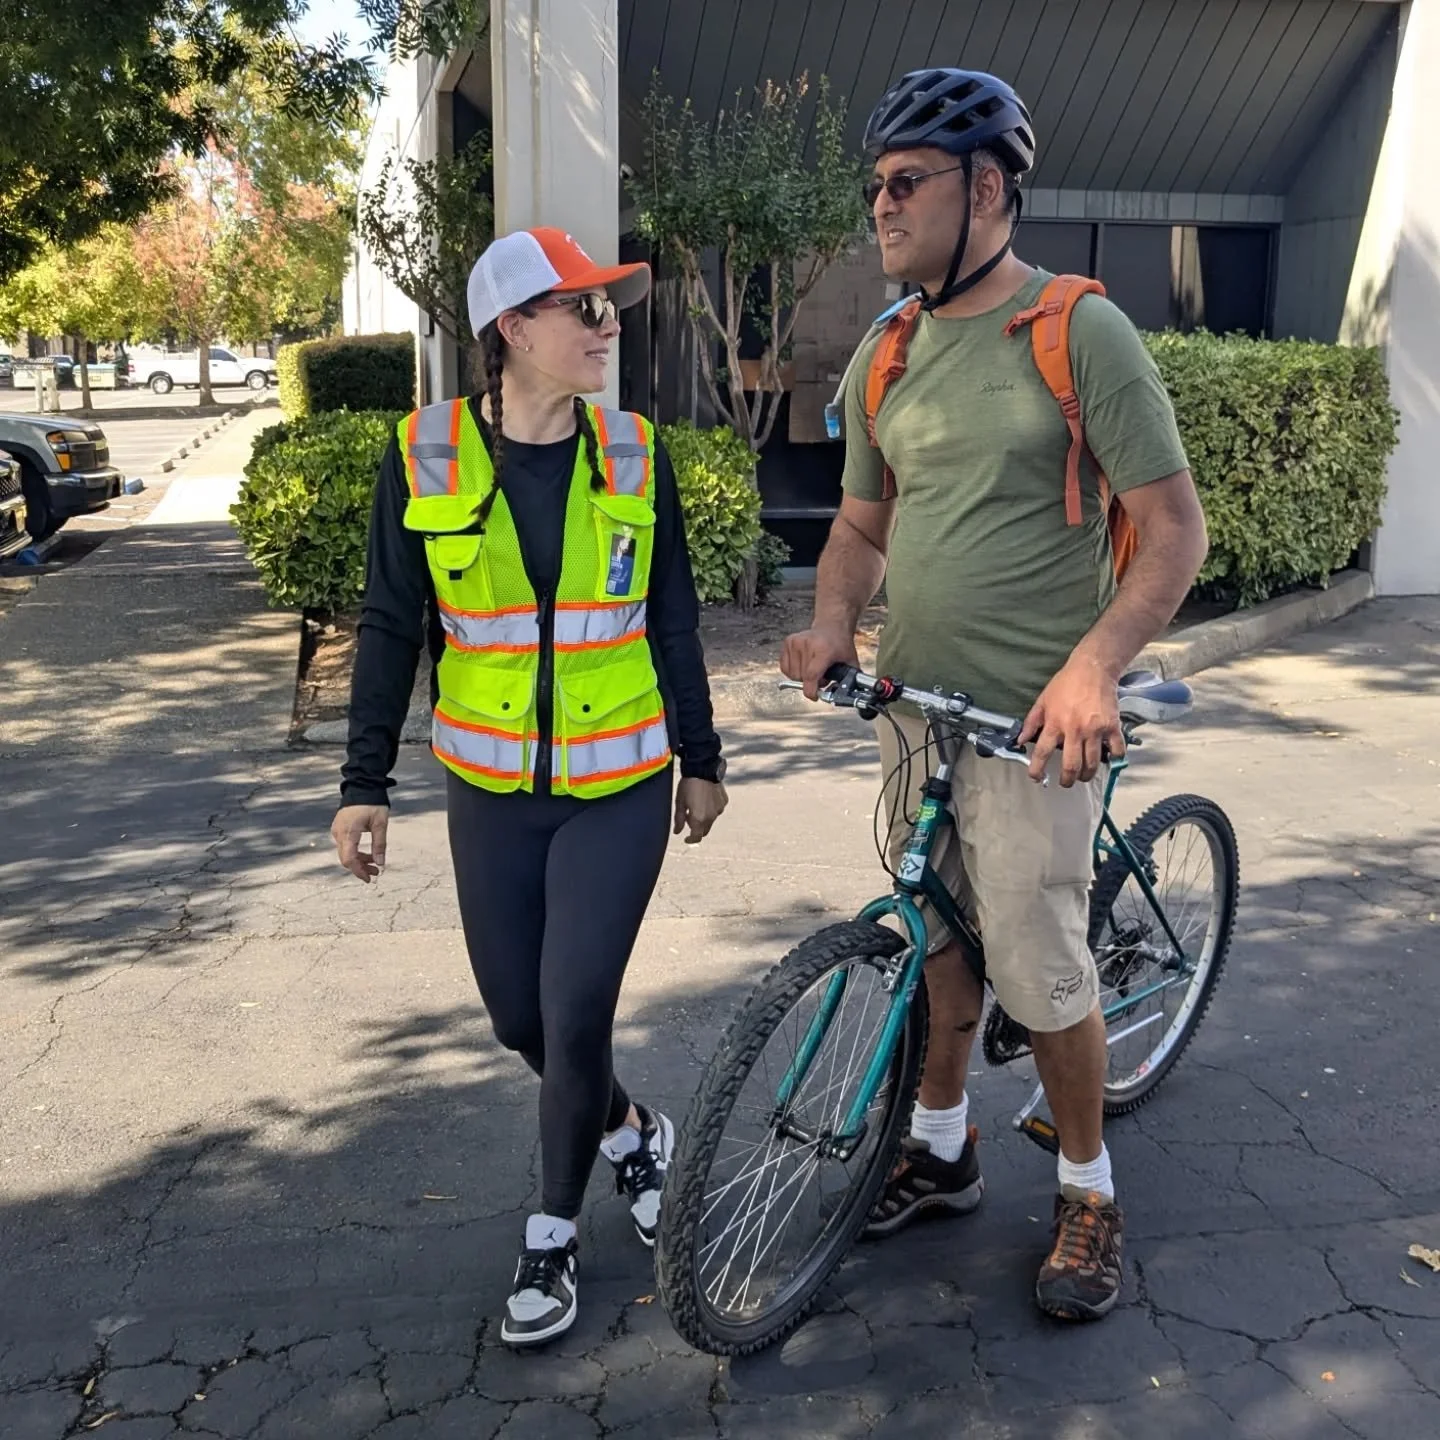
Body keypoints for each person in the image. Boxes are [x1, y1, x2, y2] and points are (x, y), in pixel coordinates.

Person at [781, 69, 1209, 1321]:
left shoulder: (1082, 333)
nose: (882, 208)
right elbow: (860, 530)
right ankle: (948, 1146)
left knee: (1039, 965)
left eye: (904, 183)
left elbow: (1172, 530)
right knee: (939, 942)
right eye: (873, 189)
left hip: (1039, 729)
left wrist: (1091, 670)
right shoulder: (888, 349)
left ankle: (1088, 1189)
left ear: (987, 188)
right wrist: (825, 622)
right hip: (916, 710)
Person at [330, 227, 729, 1346]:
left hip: (618, 788)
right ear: (513, 328)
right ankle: (632, 1133)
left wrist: (702, 759)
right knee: (520, 1019)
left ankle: (551, 1240)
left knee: (575, 1009)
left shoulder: (637, 453)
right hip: (490, 790)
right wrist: (365, 781)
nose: (608, 325)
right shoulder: (426, 454)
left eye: (610, 307)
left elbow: (673, 616)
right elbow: (391, 624)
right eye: (583, 308)